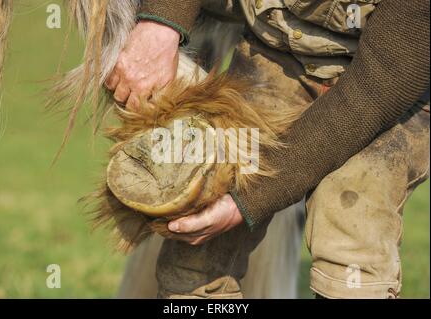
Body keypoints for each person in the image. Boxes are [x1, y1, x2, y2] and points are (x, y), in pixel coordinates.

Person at [105, 0, 430, 299]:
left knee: (350, 221)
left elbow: (381, 83)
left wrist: (248, 199)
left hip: (385, 83)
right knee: (199, 230)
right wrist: (163, 23)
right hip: (276, 51)